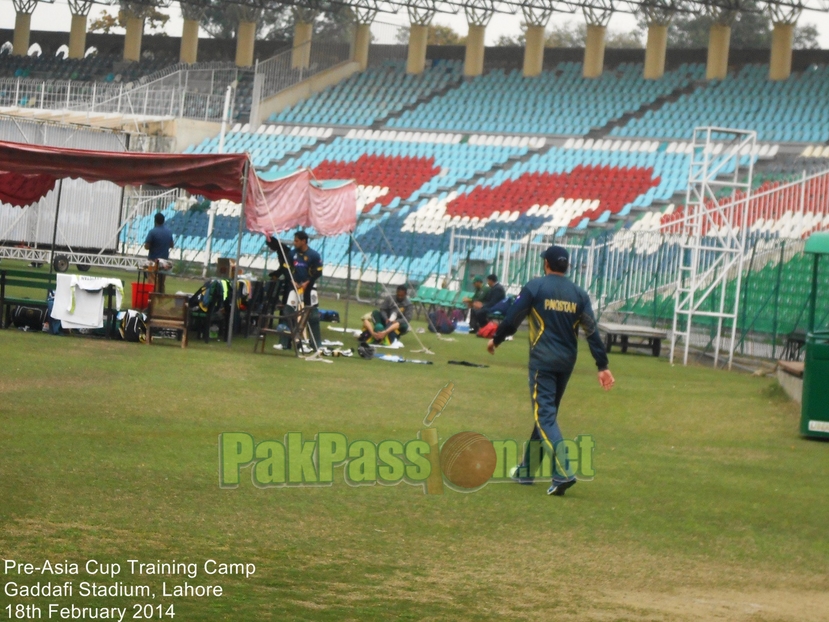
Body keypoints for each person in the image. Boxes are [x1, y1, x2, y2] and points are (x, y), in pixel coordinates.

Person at [487, 245, 615, 496]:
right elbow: (591, 331)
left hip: (542, 362)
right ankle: (526, 471)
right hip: (566, 364)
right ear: (566, 266)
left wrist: (497, 339)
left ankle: (564, 473)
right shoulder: (579, 294)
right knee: (545, 414)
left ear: (546, 264)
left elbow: (513, 317)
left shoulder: (536, 287)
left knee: (544, 416)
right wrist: (602, 366)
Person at [286, 231, 323, 351]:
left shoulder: (314, 255)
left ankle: (316, 344)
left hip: (309, 287)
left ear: (304, 241)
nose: (294, 243)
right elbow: (287, 270)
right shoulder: (292, 254)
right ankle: (286, 342)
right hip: (295, 287)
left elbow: (319, 272)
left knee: (312, 315)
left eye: (297, 240)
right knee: (289, 312)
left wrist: (308, 282)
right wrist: (293, 282)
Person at [144, 213, 174, 293]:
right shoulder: (169, 232)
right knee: (161, 282)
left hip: (153, 261)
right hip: (164, 262)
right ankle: (161, 297)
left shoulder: (152, 232)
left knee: (152, 281)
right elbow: (171, 245)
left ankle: (152, 298)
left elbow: (146, 246)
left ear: (155, 221)